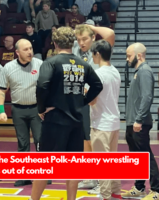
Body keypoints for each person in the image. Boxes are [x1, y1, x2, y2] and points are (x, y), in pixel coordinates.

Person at [30, 26, 103, 200]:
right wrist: (82, 102)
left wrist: (41, 108)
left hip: (55, 120)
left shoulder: (51, 62)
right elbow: (97, 85)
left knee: (45, 165)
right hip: (76, 122)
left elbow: (42, 85)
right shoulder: (83, 64)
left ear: (55, 43)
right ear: (73, 43)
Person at [0, 39, 51, 187]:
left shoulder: (40, 64)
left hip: (37, 110)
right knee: (23, 144)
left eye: (31, 48)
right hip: (18, 109)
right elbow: (1, 90)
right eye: (26, 49)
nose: (30, 52)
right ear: (17, 52)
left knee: (40, 142)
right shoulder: (8, 68)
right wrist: (1, 110)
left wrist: (47, 106)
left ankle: (44, 174)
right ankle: (24, 175)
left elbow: (49, 87)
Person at [73, 23, 115, 192]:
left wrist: (89, 26)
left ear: (93, 38)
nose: (81, 42)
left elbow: (110, 33)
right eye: (79, 39)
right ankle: (90, 176)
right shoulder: (77, 51)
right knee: (85, 139)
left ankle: (101, 180)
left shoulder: (100, 51)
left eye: (85, 39)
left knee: (95, 141)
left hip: (97, 101)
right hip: (81, 101)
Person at [121, 43, 159, 200]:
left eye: (129, 56)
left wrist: (138, 120)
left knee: (145, 156)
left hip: (139, 122)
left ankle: (156, 190)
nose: (126, 59)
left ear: (139, 55)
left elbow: (147, 97)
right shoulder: (138, 72)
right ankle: (139, 187)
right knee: (137, 158)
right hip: (133, 122)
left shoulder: (144, 71)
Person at [89, 40, 122, 200]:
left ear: (97, 54)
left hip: (101, 123)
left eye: (92, 54)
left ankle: (106, 196)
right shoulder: (115, 71)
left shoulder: (98, 74)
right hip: (114, 121)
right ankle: (115, 192)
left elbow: (92, 100)